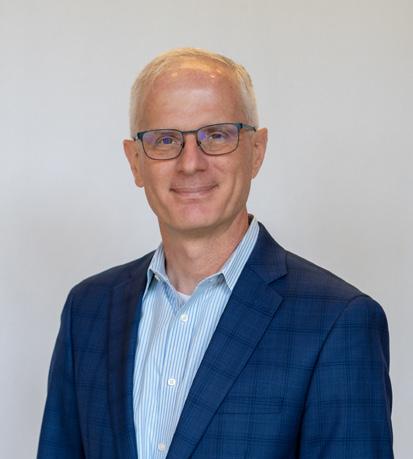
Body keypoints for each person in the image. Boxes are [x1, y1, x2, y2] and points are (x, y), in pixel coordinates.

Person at [37, 48, 393, 459]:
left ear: (257, 150)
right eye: (165, 139)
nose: (190, 163)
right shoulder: (88, 311)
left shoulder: (338, 322)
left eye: (217, 135)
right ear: (135, 162)